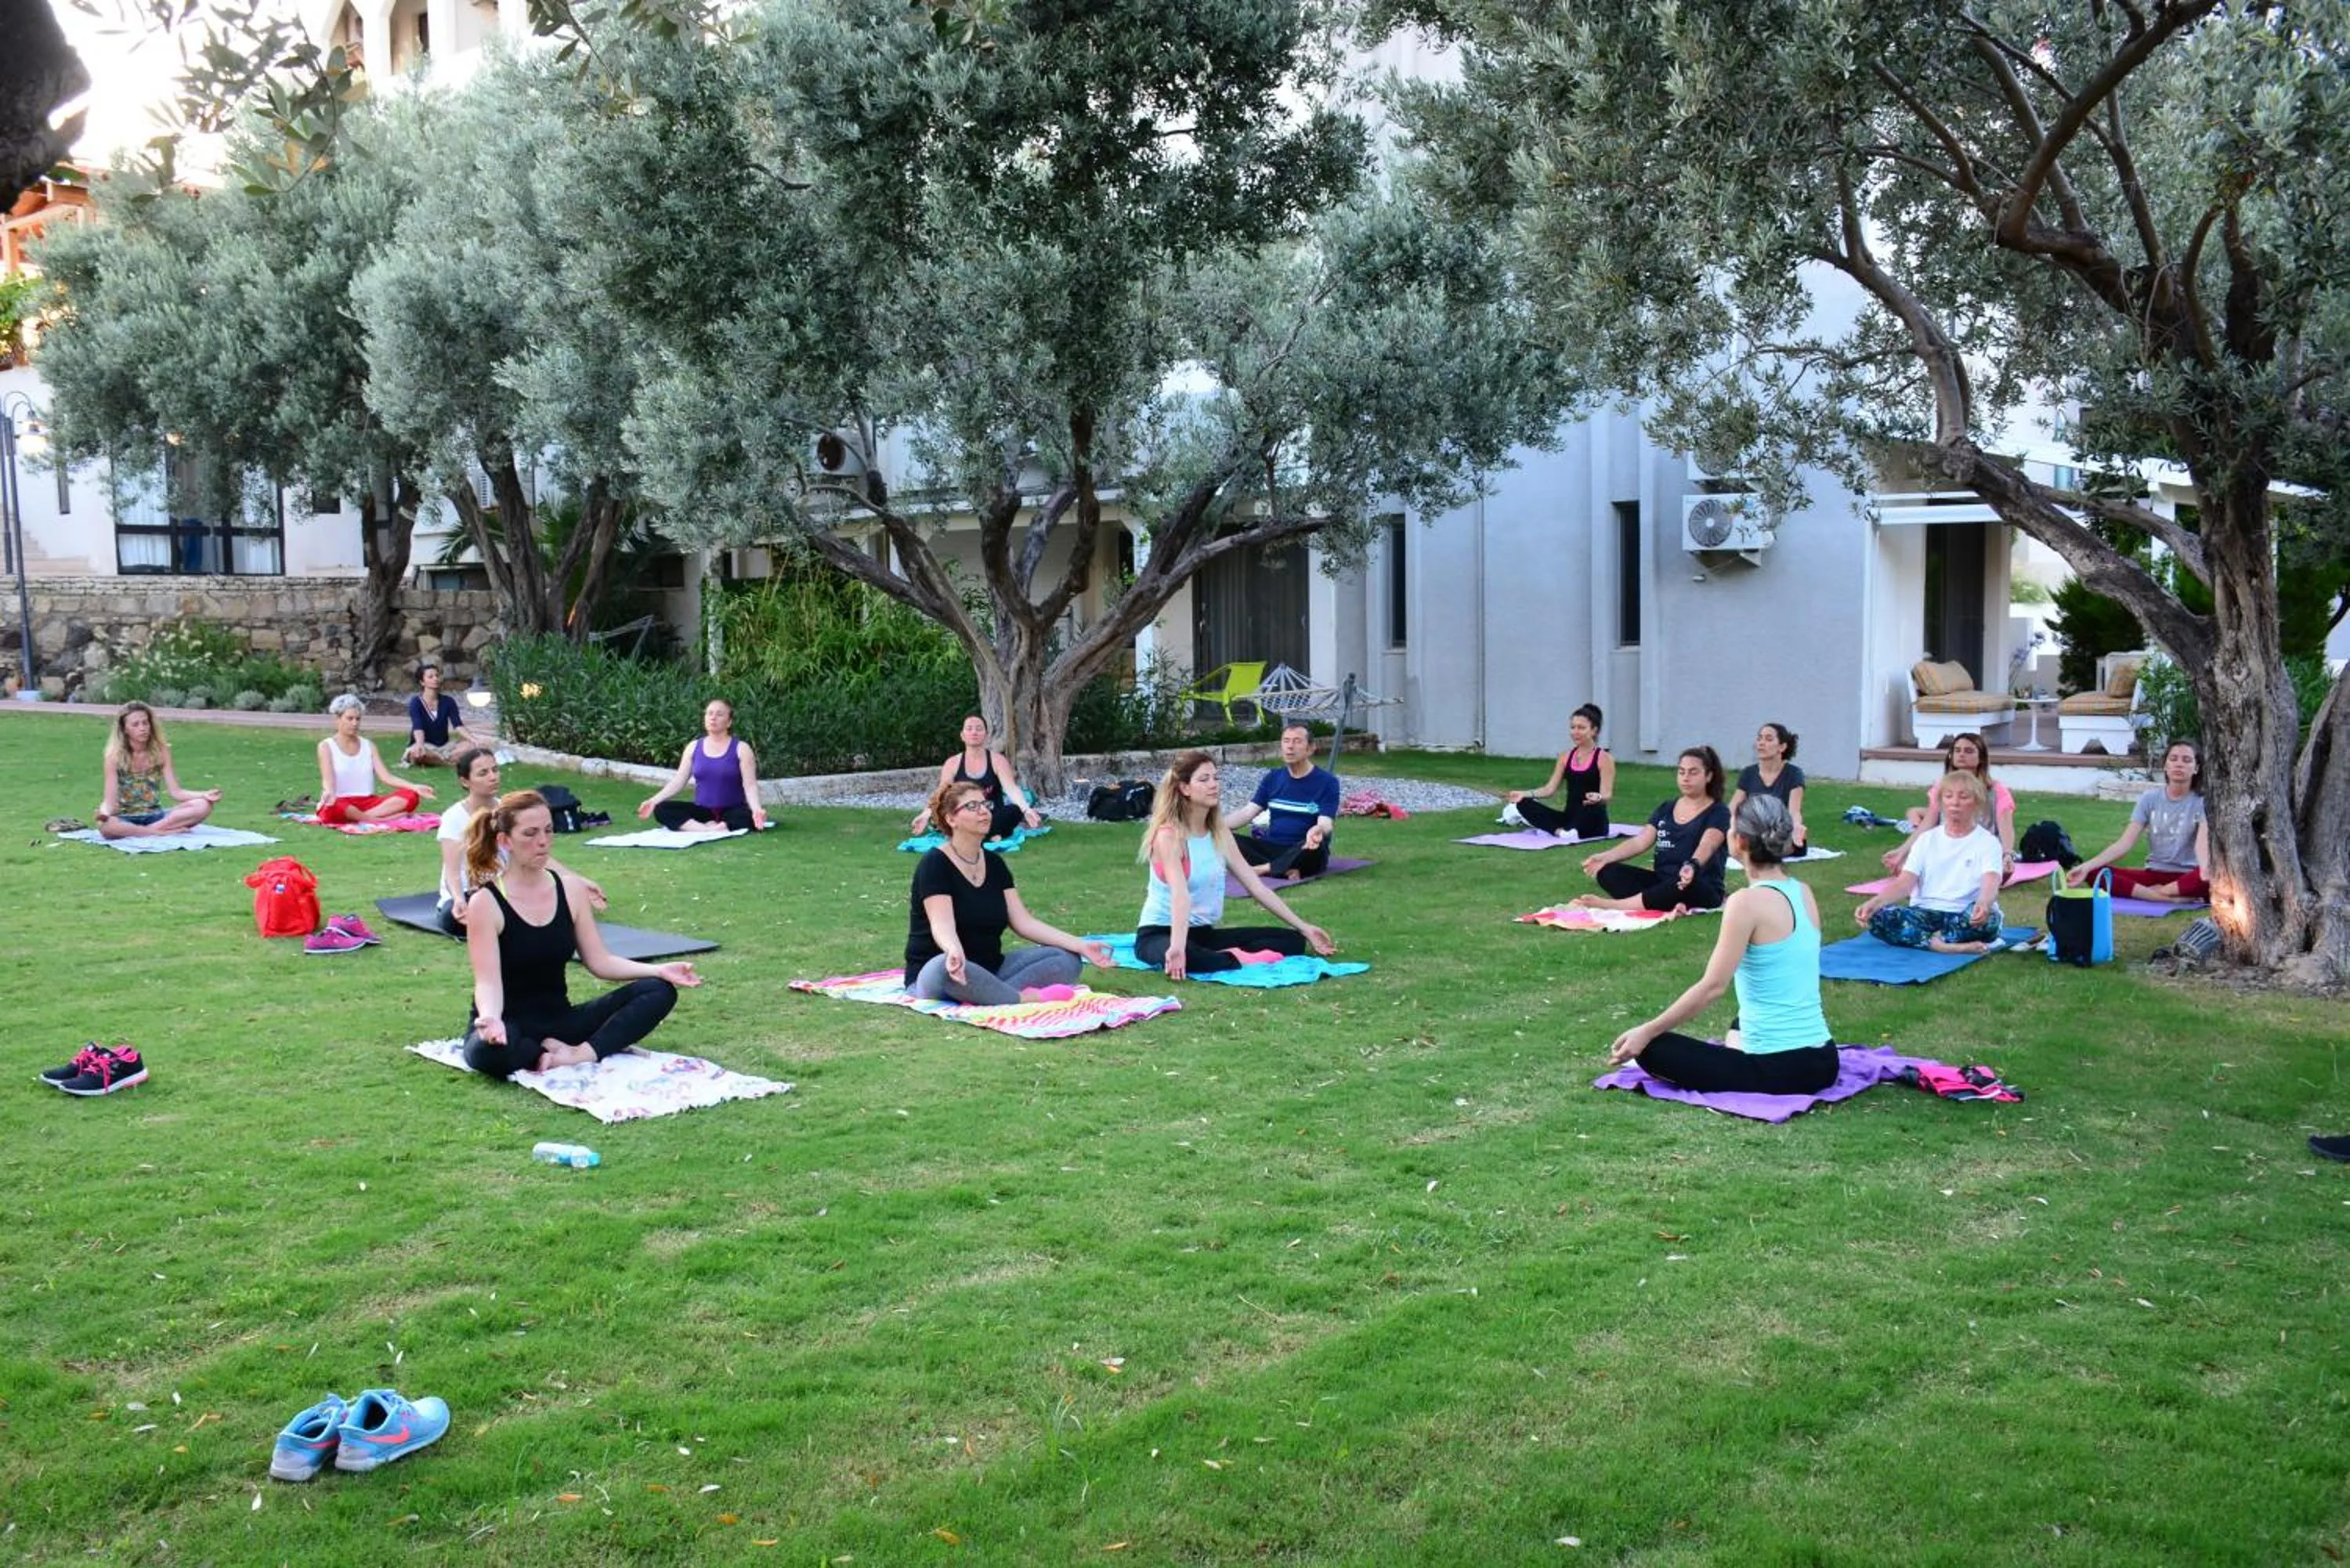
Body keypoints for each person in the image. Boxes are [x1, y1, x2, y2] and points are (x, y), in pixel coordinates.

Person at [1603, 796, 1838, 1094]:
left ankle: (1741, 1060)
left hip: (1779, 1068)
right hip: (1824, 1060)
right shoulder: (1803, 891)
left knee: (1652, 1048)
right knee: (1741, 1022)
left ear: (1740, 841)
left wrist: (1647, 1031)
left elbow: (1712, 987)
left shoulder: (1744, 902)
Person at [460, 789, 702, 1078]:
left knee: (658, 990)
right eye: (530, 833)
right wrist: (490, 1018)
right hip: (507, 1024)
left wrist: (659, 970)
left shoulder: (571, 889)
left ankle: (579, 1054)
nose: (543, 841)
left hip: (561, 1021)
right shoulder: (485, 902)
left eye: (548, 830)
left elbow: (600, 961)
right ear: (505, 841)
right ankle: (539, 1052)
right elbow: (487, 982)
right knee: (487, 1052)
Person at [1135, 750, 1338, 978]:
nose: (1214, 785)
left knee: (1292, 941)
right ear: (1185, 788)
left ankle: (1228, 957)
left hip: (1202, 933)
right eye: (1204, 779)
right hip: (1160, 934)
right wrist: (1177, 947)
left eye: (1216, 778)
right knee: (1188, 956)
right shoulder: (1169, 836)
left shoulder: (1218, 832)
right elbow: (1180, 895)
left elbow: (1256, 887)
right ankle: (1236, 958)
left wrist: (1304, 927)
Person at [905, 779, 1113, 1002]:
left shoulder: (995, 864)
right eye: (972, 806)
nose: (983, 811)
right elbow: (942, 925)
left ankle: (989, 993)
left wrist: (1081, 945)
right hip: (942, 970)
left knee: (1067, 958)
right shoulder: (935, 864)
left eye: (985, 804)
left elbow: (1024, 922)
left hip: (991, 969)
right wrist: (953, 950)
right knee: (942, 969)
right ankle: (1020, 998)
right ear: (951, 819)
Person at [436, 748, 605, 935]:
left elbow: (536, 855)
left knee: (554, 900)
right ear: (465, 781)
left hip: (508, 890)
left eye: (495, 770)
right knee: (457, 917)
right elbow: (452, 871)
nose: (493, 777)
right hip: (470, 894)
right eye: (483, 773)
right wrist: (459, 899)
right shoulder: (454, 818)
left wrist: (578, 882)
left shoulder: (508, 811)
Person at [1855, 770, 2005, 952]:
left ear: (1977, 803)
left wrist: (1984, 903)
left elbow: (1991, 881)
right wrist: (1875, 903)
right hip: (1926, 912)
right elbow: (1904, 884)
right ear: (1941, 802)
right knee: (1879, 917)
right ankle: (1943, 944)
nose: (1955, 803)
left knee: (1989, 920)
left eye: (1964, 797)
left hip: (1964, 912)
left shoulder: (1988, 842)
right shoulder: (1926, 839)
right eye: (1948, 796)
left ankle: (1930, 940)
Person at [1574, 746, 1732, 912]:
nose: (1686, 778)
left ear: (1708, 776)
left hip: (1699, 885)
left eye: (1693, 773)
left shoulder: (1718, 811)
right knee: (1608, 872)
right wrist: (1606, 857)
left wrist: (1692, 865)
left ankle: (1616, 906)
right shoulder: (1667, 808)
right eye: (1682, 772)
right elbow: (1640, 842)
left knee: (1680, 883)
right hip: (1662, 881)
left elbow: (1708, 844)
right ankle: (1658, 901)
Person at [2068, 740, 2209, 901]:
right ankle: (2165, 897)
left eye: (2187, 760)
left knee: (2214, 874)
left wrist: (2205, 869)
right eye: (2173, 759)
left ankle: (2161, 892)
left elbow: (2202, 846)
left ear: (2196, 768)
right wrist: (2086, 867)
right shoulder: (2150, 798)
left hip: (2187, 877)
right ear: (2165, 765)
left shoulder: (2202, 802)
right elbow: (2124, 844)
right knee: (2096, 873)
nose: (2179, 764)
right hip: (2154, 874)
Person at [1222, 723, 1341, 880]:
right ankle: (1285, 868)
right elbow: (1247, 813)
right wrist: (1215, 826)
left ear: (1311, 748)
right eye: (1286, 741)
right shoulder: (1273, 778)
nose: (1290, 747)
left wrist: (1318, 830)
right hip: (1272, 848)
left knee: (1315, 847)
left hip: (1303, 849)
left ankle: (1263, 869)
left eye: (1297, 741)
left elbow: (1326, 823)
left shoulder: (1327, 782)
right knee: (1223, 838)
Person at [1883, 731, 2015, 871]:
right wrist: (1903, 851)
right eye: (1957, 751)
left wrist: (2007, 854)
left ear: (1981, 758)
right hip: (1946, 847)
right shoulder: (1942, 786)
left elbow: (2005, 827)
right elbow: (1928, 823)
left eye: (1969, 751)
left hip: (1980, 850)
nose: (1961, 755)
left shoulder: (1996, 790)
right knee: (1907, 867)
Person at [638, 698, 769, 833]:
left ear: (729, 722)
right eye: (709, 713)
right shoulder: (693, 747)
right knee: (662, 809)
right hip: (703, 811)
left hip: (732, 810)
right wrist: (653, 801)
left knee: (746, 817)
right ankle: (706, 829)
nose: (713, 718)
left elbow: (750, 785)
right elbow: (678, 781)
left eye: (719, 714)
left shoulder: (742, 748)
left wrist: (756, 809)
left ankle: (721, 826)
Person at [94, 700, 220, 839]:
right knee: (107, 827)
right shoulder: (114, 757)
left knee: (203, 805)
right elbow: (110, 801)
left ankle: (146, 831)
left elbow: (176, 792)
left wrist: (205, 795)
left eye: (145, 723)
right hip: (126, 817)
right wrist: (104, 813)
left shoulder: (160, 751)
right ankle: (158, 832)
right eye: (135, 725)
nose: (142, 728)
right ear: (125, 729)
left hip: (156, 816)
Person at [907, 715, 1043, 840]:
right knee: (945, 815)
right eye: (969, 729)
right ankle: (992, 835)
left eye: (979, 729)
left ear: (986, 735)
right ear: (962, 735)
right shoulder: (952, 763)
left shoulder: (998, 761)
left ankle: (973, 835)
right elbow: (941, 794)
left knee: (1015, 811)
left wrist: (1026, 809)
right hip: (964, 814)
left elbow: (1011, 788)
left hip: (990, 814)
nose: (974, 732)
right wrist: (926, 814)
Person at [316, 694, 435, 824]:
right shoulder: (326, 746)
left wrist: (415, 787)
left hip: (369, 803)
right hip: (342, 803)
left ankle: (361, 818)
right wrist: (328, 794)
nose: (355, 723)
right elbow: (328, 782)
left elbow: (386, 777)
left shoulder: (369, 746)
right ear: (338, 719)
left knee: (411, 796)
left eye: (358, 719)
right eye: (350, 719)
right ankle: (375, 819)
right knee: (333, 805)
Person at [1506, 703, 1614, 840]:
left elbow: (1607, 795)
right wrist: (1523, 794)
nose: (1575, 732)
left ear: (1594, 731)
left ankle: (1572, 831)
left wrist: (1598, 798)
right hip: (1569, 819)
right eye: (1573, 727)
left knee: (1590, 805)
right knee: (1523, 803)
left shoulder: (1604, 758)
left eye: (1581, 728)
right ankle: (1560, 833)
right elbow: (1549, 790)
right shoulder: (1565, 757)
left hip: (1592, 820)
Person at [1728, 721, 1808, 856]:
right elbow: (1733, 808)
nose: (1761, 743)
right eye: (1759, 738)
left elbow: (1794, 811)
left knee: (1793, 844)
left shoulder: (1794, 773)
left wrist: (1797, 828)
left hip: (1780, 829)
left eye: (1768, 739)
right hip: (1753, 829)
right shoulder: (1749, 773)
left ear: (1782, 747)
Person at [402, 662, 485, 767]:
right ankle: (448, 761)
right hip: (425, 745)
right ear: (422, 682)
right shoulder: (416, 702)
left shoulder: (448, 701)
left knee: (470, 746)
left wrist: (474, 740)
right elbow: (418, 727)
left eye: (437, 676)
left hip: (445, 746)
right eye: (430, 677)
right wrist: (420, 744)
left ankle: (440, 760)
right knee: (416, 753)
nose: (435, 679)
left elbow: (458, 725)